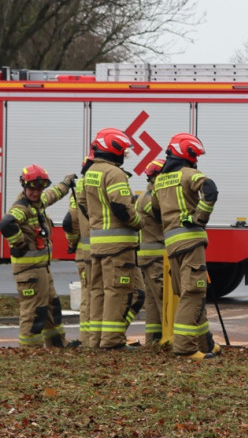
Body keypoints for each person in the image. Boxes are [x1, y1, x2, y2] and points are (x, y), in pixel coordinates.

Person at [151, 133, 220, 361]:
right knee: (194, 293)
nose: (196, 161)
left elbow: (155, 210)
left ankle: (204, 342)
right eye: (195, 156)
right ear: (187, 155)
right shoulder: (189, 174)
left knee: (191, 294)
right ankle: (185, 348)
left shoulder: (160, 180)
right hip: (190, 241)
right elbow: (210, 189)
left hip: (172, 245)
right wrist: (199, 218)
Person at [1, 165, 78, 348]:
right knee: (34, 312)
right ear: (24, 186)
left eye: (39, 189)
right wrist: (19, 242)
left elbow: (53, 194)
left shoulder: (38, 202)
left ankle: (57, 345)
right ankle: (29, 352)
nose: (36, 193)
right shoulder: (22, 208)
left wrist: (66, 184)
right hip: (29, 272)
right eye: (32, 189)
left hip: (41, 269)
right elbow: (6, 224)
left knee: (52, 308)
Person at [81, 128, 145, 350]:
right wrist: (139, 222)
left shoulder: (91, 172)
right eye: (124, 151)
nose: (124, 156)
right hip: (118, 246)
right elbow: (121, 207)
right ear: (114, 150)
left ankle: (95, 341)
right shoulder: (114, 173)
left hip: (97, 245)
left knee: (98, 292)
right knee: (117, 292)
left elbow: (83, 205)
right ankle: (111, 341)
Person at [63, 154, 97, 347]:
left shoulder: (79, 189)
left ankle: (88, 339)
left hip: (83, 253)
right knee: (94, 295)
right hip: (97, 252)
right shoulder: (98, 185)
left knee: (88, 294)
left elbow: (71, 223)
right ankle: (89, 339)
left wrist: (71, 244)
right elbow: (71, 221)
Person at [136, 159, 166, 346]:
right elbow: (165, 216)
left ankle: (154, 341)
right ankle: (170, 339)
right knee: (165, 300)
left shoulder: (148, 195)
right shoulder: (149, 199)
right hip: (155, 258)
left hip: (151, 257)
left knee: (154, 304)